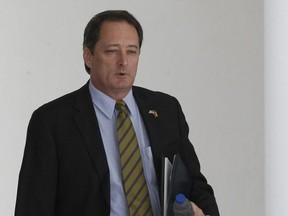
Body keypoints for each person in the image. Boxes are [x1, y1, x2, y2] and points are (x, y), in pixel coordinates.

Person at [15, 10, 219, 216]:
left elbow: (195, 184)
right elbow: (33, 207)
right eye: (112, 51)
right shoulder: (52, 121)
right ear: (88, 56)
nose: (124, 61)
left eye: (132, 51)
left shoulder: (166, 109)